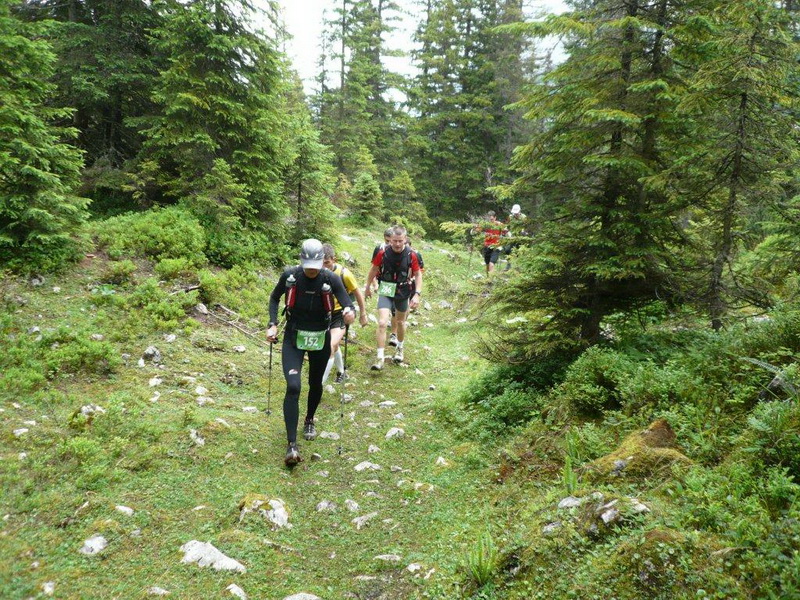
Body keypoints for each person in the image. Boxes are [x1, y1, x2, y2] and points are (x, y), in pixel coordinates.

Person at [267, 239, 355, 467]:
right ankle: (291, 445)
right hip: (294, 337)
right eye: (308, 266)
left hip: (319, 337)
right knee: (293, 386)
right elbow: (274, 297)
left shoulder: (330, 278)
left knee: (315, 382)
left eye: (315, 266)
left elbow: (347, 302)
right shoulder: (291, 276)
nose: (312, 270)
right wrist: (273, 324)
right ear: (302, 261)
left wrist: (349, 312)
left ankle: (309, 419)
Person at [364, 225, 422, 370]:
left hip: (403, 290)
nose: (397, 244)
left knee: (401, 322)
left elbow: (418, 274)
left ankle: (400, 348)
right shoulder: (382, 253)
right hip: (386, 288)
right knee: (382, 322)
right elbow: (374, 269)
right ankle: (380, 358)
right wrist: (368, 287)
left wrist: (417, 294)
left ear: (405, 239)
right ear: (390, 240)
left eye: (400, 241)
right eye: (394, 241)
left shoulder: (411, 254)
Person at [321, 243, 368, 384]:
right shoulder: (318, 272)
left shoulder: (344, 274)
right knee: (334, 345)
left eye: (327, 263)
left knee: (330, 346)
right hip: (323, 314)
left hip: (340, 314)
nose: (324, 267)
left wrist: (363, 314)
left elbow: (357, 293)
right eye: (321, 263)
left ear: (334, 259)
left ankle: (319, 384)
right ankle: (341, 372)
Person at [473, 211, 507, 275]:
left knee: (491, 264)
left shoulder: (499, 224)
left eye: (492, 219)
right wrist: (475, 228)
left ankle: (491, 279)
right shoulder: (485, 225)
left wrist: (505, 234)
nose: (490, 221)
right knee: (487, 265)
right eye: (489, 219)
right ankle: (488, 278)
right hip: (487, 246)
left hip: (496, 247)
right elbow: (475, 231)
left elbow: (506, 232)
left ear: (495, 218)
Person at [504, 204, 528, 270]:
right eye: (514, 213)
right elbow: (507, 226)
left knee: (518, 251)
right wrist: (507, 232)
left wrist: (524, 232)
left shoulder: (524, 217)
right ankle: (508, 264)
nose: (515, 214)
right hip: (512, 236)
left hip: (521, 237)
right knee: (507, 249)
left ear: (519, 211)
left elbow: (526, 227)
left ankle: (518, 266)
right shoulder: (510, 217)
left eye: (516, 213)